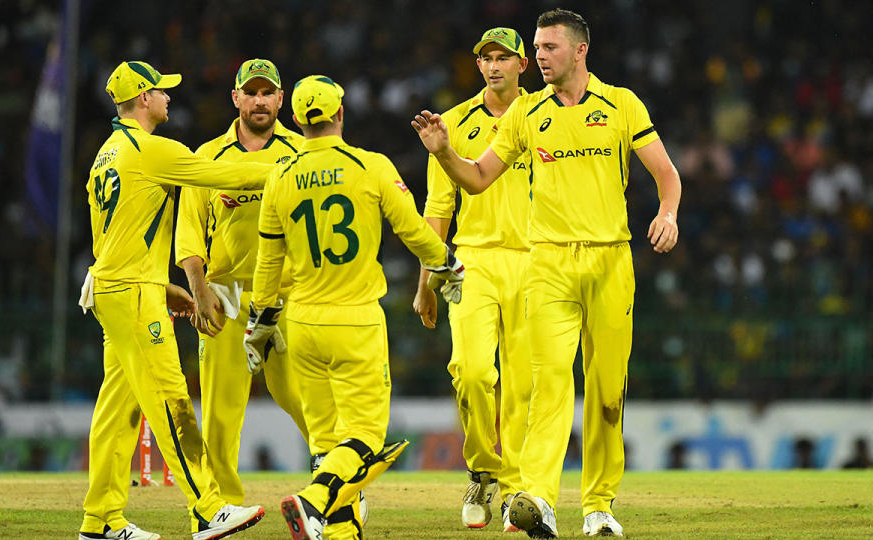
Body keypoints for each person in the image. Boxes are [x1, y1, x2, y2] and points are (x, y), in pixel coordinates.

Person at [413, 9, 681, 538]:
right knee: (548, 385)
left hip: (610, 261)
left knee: (607, 390)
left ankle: (599, 504)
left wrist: (667, 213)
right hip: (548, 263)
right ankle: (535, 497)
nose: (539, 56)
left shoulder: (620, 104)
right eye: (535, 48)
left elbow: (666, 175)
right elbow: (477, 178)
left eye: (548, 48)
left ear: (580, 51)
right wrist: (444, 153)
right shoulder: (527, 112)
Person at [244, 74, 465, 540]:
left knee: (327, 443)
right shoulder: (369, 166)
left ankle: (341, 533)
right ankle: (313, 500)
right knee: (364, 439)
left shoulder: (278, 177)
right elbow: (413, 229)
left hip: (300, 321)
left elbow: (268, 262)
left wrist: (259, 323)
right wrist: (446, 264)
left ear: (296, 119)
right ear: (341, 113)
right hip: (355, 318)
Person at [78, 60, 273, 540]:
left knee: (116, 410)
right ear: (143, 98)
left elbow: (113, 237)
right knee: (171, 401)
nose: (169, 97)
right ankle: (208, 509)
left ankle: (100, 519)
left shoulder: (107, 153)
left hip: (113, 285)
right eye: (162, 91)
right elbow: (231, 176)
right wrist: (305, 163)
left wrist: (161, 285)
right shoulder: (152, 150)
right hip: (132, 295)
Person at [412, 27, 533, 532]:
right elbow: (438, 210)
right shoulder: (453, 123)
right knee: (473, 371)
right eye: (486, 57)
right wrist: (426, 281)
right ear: (477, 65)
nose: (495, 65)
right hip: (473, 263)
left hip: (538, 261)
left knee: (526, 386)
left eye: (505, 57)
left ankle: (518, 489)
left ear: (523, 65)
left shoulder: (547, 115)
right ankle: (483, 472)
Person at [175, 58, 309, 509]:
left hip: (288, 292)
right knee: (219, 411)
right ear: (235, 98)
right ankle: (221, 507)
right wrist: (199, 289)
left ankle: (338, 482)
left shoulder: (302, 153)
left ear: (280, 99)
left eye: (267, 92)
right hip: (226, 293)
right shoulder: (206, 156)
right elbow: (188, 232)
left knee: (304, 398)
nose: (258, 100)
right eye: (250, 92)